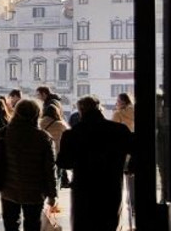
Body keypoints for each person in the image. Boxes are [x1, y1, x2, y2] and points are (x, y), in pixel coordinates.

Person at [56, 95, 131, 231]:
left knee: (84, 225)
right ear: (99, 109)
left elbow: (63, 162)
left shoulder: (71, 134)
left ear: (80, 111)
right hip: (111, 186)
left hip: (83, 189)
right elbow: (136, 150)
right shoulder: (119, 130)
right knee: (109, 224)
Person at [0, 99, 57, 231]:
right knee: (33, 224)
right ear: (36, 114)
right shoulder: (43, 137)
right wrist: (52, 194)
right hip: (35, 190)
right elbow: (49, 169)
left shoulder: (4, 133)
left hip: (9, 188)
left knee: (11, 224)